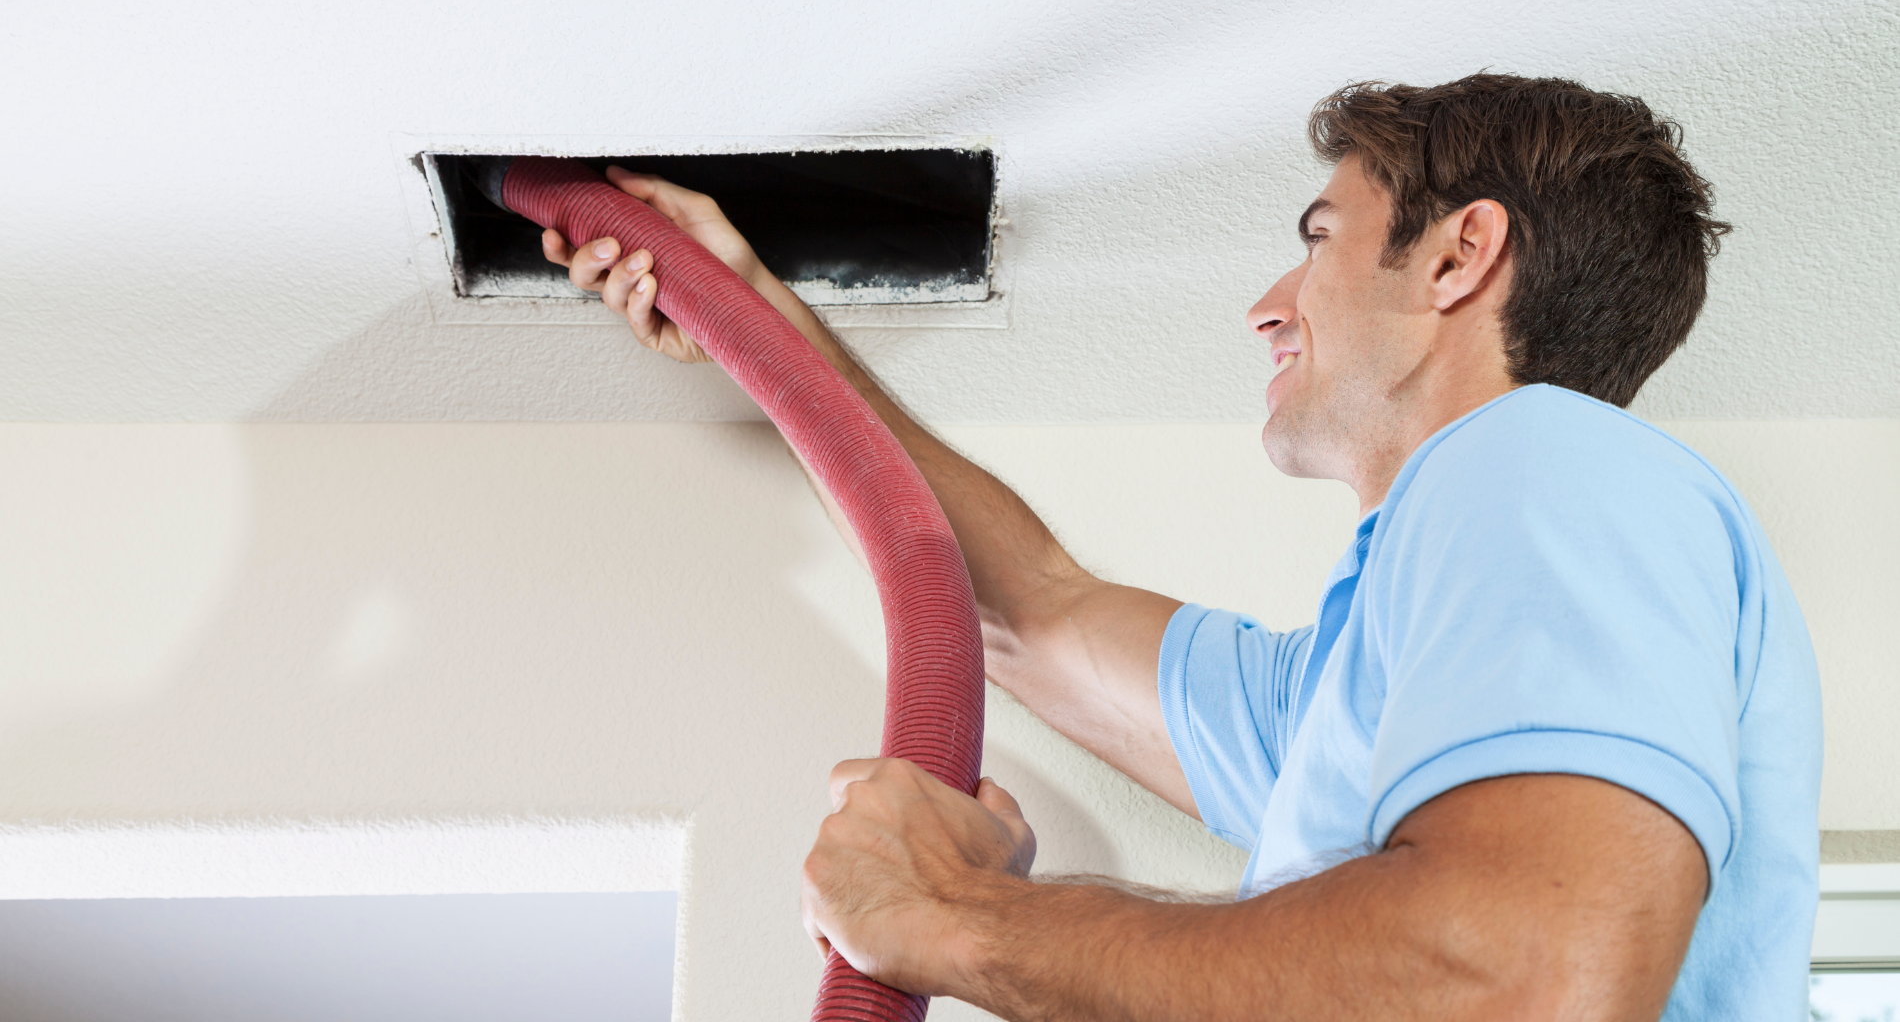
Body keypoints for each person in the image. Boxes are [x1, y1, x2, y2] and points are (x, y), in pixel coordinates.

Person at [544, 74, 1822, 1022]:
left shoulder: (1545, 458)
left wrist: (961, 918)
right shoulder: (1356, 700)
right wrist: (760, 321)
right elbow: (1031, 616)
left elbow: (1528, 970)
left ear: (1459, 254)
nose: (1269, 303)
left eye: (1318, 237)